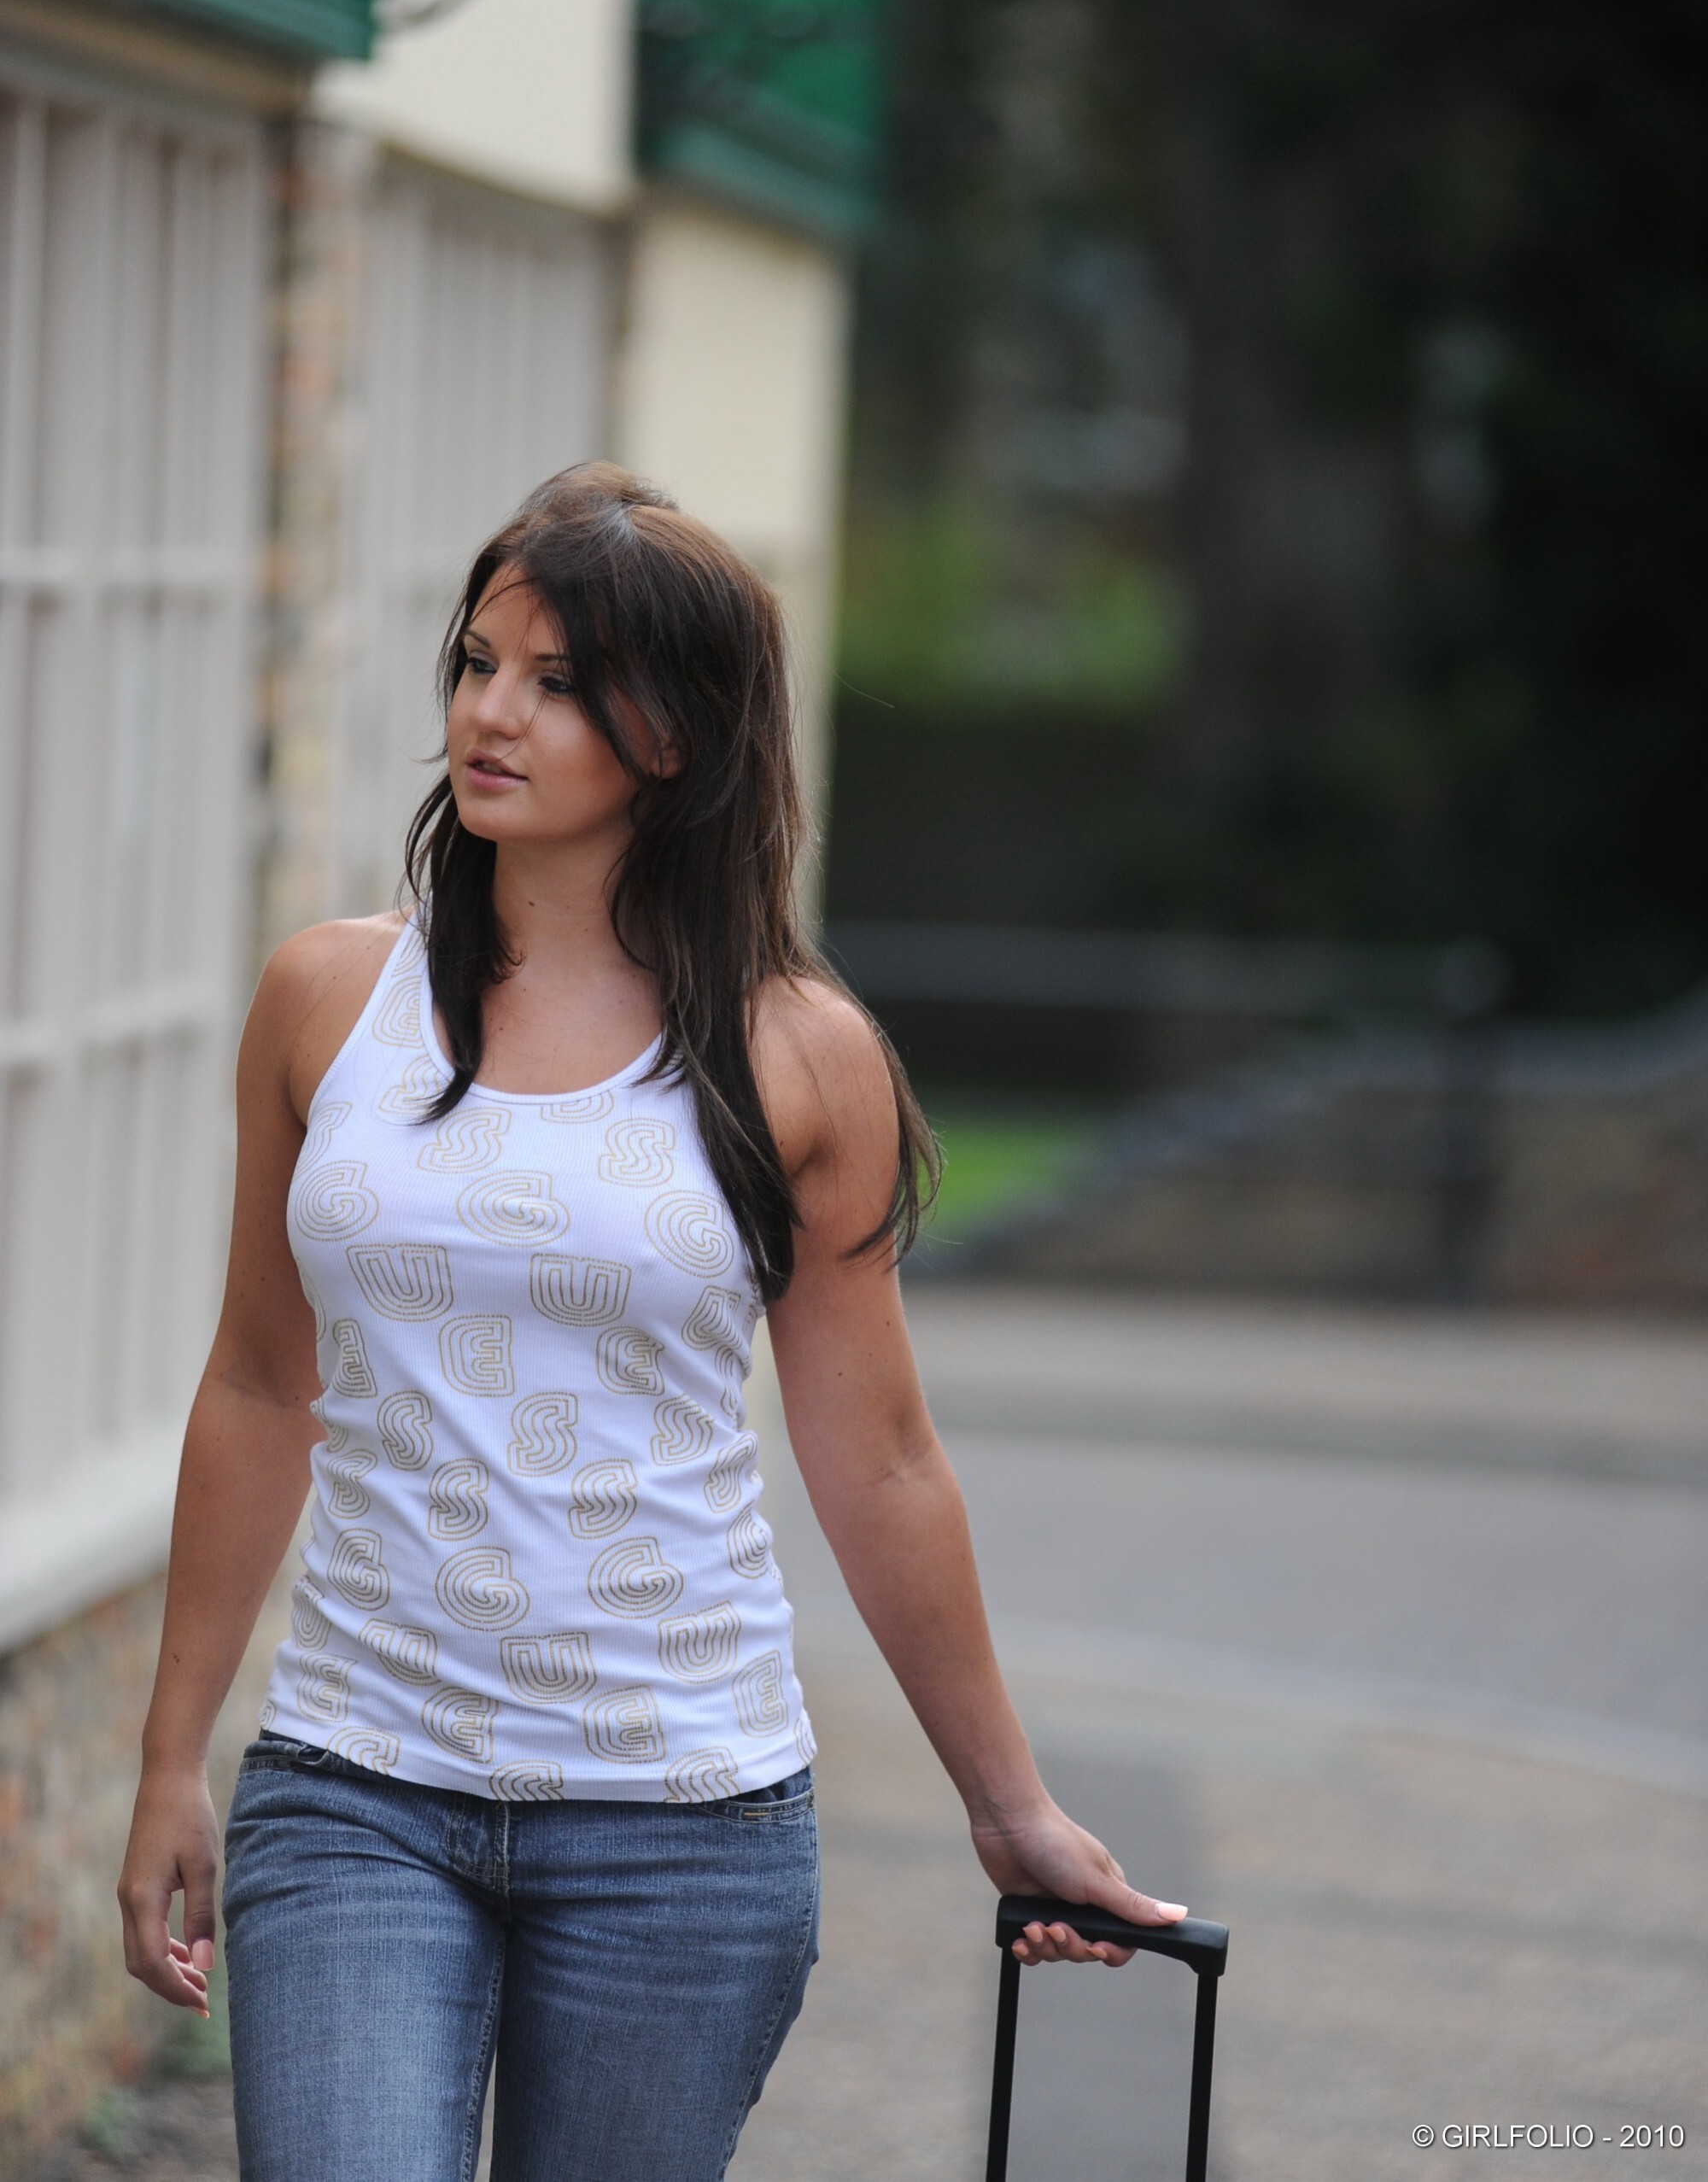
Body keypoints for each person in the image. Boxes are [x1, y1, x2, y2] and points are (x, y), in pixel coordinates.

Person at [118, 465, 1188, 2182]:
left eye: (558, 683)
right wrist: (174, 1756)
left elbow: (881, 1460)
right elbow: (257, 1383)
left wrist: (1010, 1806)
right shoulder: (326, 1000)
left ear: (676, 736)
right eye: (479, 664)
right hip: (356, 1783)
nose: (492, 713)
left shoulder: (800, 1056)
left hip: (683, 1826)